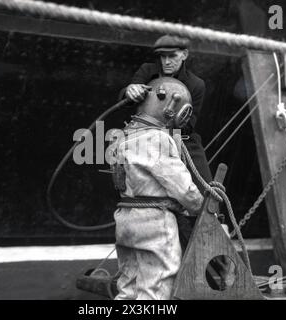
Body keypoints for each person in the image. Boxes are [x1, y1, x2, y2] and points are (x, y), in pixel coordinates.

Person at [109, 77, 204, 300]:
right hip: (154, 224)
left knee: (128, 288)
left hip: (125, 221)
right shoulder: (158, 138)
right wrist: (201, 206)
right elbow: (182, 187)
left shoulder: (121, 139)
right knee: (157, 287)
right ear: (171, 108)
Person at [121, 34, 212, 192]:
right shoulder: (147, 71)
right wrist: (130, 91)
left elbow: (189, 125)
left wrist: (168, 124)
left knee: (206, 188)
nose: (167, 62)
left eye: (172, 56)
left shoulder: (196, 84)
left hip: (180, 137)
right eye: (163, 57)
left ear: (184, 55)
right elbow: (127, 100)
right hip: (142, 133)